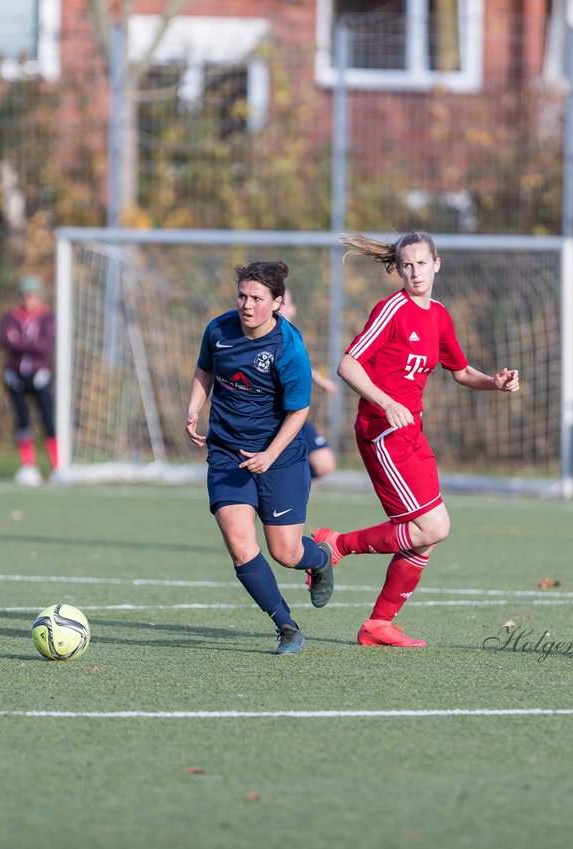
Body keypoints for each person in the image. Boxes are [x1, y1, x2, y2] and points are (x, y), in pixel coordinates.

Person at [313, 232, 519, 648]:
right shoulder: (392, 309)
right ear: (399, 269)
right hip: (382, 432)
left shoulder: (439, 315)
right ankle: (337, 545)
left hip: (413, 432)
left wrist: (494, 383)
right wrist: (385, 403)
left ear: (436, 264)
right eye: (406, 265)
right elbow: (347, 366)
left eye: (421, 263)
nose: (414, 272)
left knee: (425, 532)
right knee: (432, 526)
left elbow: (460, 371)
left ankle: (378, 625)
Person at [184, 260, 336, 655]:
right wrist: (193, 407)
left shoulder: (288, 347)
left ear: (278, 303)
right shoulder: (218, 330)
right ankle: (287, 627)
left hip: (280, 455)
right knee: (239, 544)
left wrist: (270, 454)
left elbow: (299, 411)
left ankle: (320, 558)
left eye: (257, 298)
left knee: (286, 552)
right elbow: (205, 372)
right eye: (242, 296)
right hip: (226, 452)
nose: (246, 305)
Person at [0, 274, 58, 486]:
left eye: (32, 295)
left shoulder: (46, 318)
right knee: (22, 420)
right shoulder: (12, 317)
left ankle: (57, 466)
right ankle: (28, 465)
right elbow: (6, 340)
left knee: (48, 419)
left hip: (39, 375)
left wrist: (21, 341)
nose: (27, 300)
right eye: (24, 296)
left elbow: (44, 345)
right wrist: (30, 343)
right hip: (16, 376)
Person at [279, 297, 338, 479]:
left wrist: (319, 379)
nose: (280, 307)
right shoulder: (262, 337)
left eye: (284, 303)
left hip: (294, 416)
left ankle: (289, 485)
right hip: (270, 418)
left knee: (325, 462)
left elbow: (299, 366)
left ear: (292, 309)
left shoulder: (294, 335)